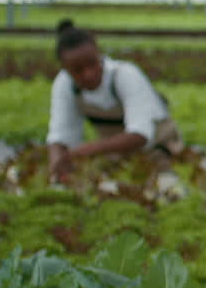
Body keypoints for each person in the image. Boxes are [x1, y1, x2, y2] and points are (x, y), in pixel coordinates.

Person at [47, 20, 184, 182]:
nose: (88, 74)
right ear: (65, 68)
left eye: (92, 63)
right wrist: (57, 164)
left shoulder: (125, 75)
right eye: (78, 70)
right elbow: (60, 135)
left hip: (158, 149)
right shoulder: (65, 84)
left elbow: (140, 135)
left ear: (99, 53)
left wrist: (85, 151)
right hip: (116, 156)